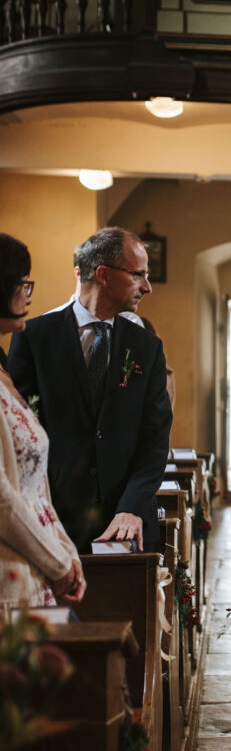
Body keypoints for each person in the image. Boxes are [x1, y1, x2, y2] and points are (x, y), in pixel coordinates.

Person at [8, 227, 173, 553]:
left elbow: (155, 439)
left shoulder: (147, 347)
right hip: (52, 521)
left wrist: (132, 507)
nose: (147, 286)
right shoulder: (34, 337)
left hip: (126, 524)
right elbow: (20, 432)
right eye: (138, 274)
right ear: (103, 275)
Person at [0, 233, 86, 609]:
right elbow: (2, 500)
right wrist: (58, 563)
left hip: (36, 566)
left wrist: (67, 554)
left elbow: (35, 488)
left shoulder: (3, 374)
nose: (28, 294)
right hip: (9, 578)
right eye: (21, 283)